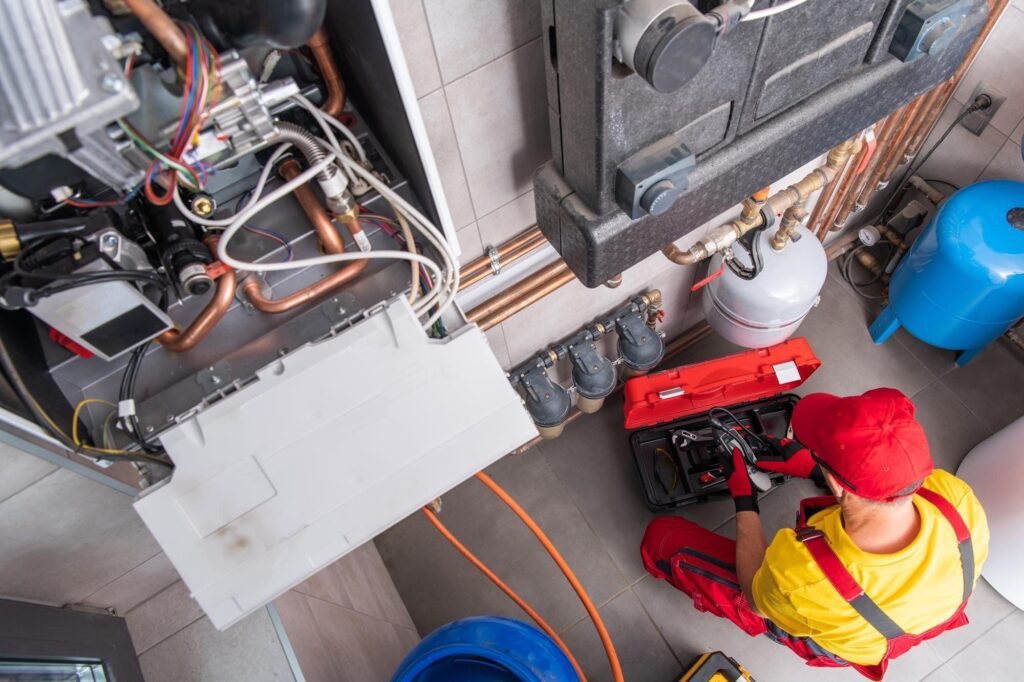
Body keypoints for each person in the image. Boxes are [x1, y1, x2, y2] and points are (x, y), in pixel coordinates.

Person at [641, 388, 989, 680]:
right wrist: (816, 469)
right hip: (919, 615)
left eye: (820, 459)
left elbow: (756, 595)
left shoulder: (805, 572)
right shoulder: (955, 497)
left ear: (838, 484)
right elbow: (884, 490)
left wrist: (745, 501)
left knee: (662, 539)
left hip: (841, 640)